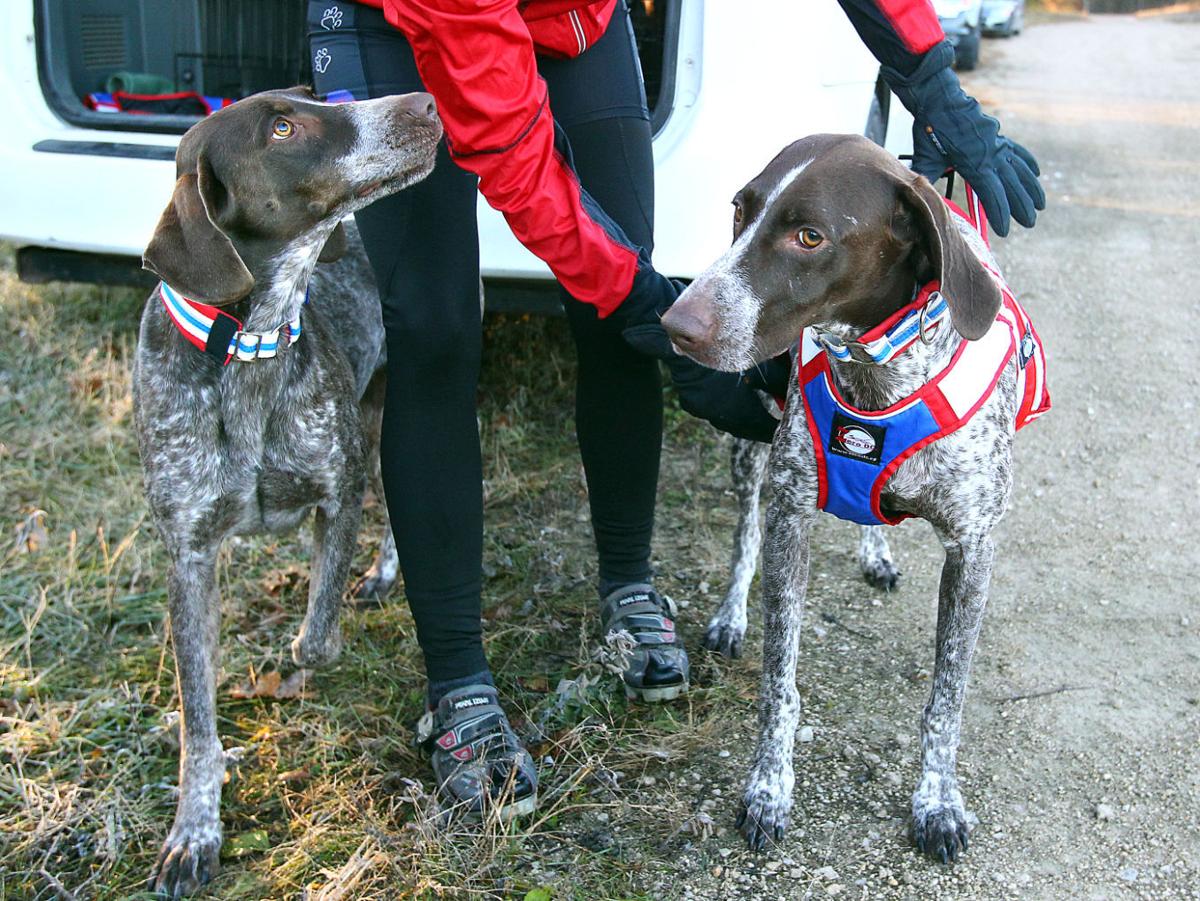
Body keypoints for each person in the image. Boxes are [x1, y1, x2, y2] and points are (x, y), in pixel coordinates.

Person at [305, 0, 1045, 820]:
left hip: (578, 20)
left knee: (615, 309)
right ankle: (459, 686)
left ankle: (628, 587)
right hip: (406, 28)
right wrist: (639, 293)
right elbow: (511, 148)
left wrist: (932, 80)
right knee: (437, 326)